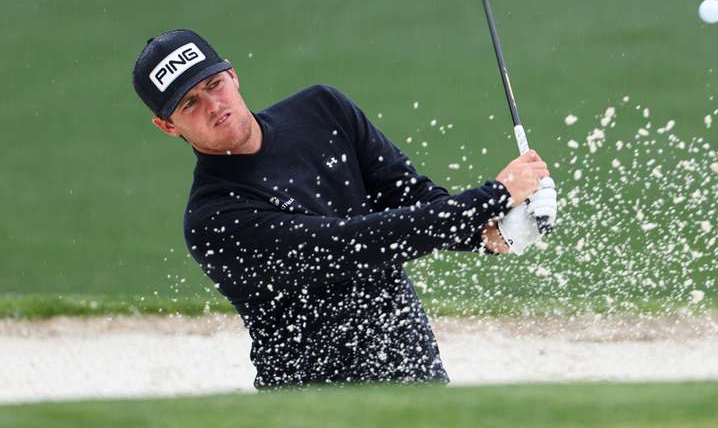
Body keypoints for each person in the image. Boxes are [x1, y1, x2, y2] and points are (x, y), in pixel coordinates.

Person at [132, 29, 556, 388]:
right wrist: (493, 196)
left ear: (232, 74)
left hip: (416, 373)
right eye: (189, 103)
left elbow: (414, 200)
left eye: (213, 85)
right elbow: (353, 244)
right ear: (167, 126)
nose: (213, 105)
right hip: (315, 405)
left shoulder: (323, 110)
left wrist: (491, 234)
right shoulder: (213, 220)